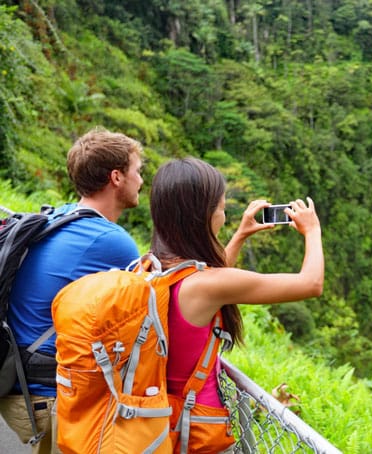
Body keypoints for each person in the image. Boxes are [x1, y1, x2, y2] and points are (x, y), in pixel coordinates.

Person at [149, 157, 324, 450]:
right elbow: (311, 283)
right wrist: (313, 231)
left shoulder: (153, 266)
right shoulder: (207, 285)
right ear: (202, 216)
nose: (225, 213)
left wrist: (241, 235)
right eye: (221, 206)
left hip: (162, 421)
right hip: (199, 431)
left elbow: (209, 285)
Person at [0, 127, 144, 453]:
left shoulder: (59, 216)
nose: (141, 181)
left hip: (19, 385)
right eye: (138, 171)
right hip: (47, 397)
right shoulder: (111, 241)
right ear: (117, 177)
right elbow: (155, 309)